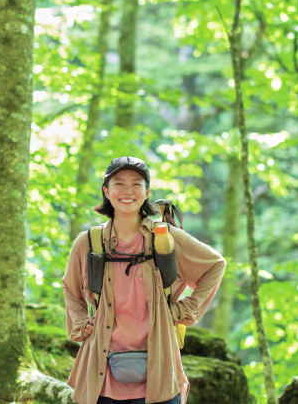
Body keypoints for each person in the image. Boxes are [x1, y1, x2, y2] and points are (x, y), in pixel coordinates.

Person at [62, 156, 226, 404]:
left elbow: (215, 265)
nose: (127, 191)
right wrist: (80, 324)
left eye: (136, 184)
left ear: (147, 192)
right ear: (106, 191)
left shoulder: (167, 237)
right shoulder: (88, 242)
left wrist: (184, 310)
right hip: (101, 372)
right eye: (119, 184)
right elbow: (70, 289)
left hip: (159, 370)